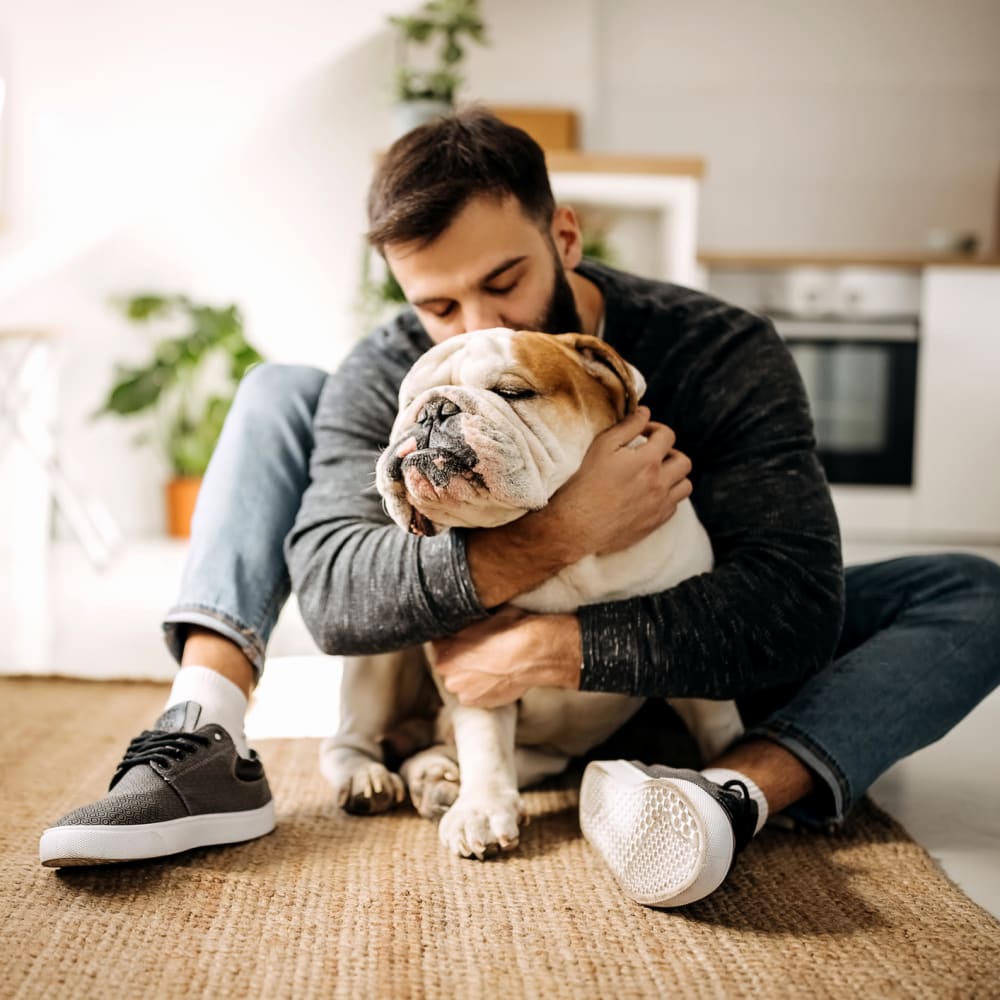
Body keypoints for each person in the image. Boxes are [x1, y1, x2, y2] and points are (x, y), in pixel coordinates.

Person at [40, 108, 1000, 908]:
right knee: (278, 387)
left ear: (564, 236)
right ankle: (201, 730)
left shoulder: (718, 349)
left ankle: (726, 793)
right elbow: (336, 601)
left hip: (697, 672)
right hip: (509, 702)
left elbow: (790, 605)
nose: (477, 329)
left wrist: (558, 647)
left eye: (503, 284)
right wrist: (564, 531)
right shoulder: (396, 372)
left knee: (973, 591)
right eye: (437, 309)